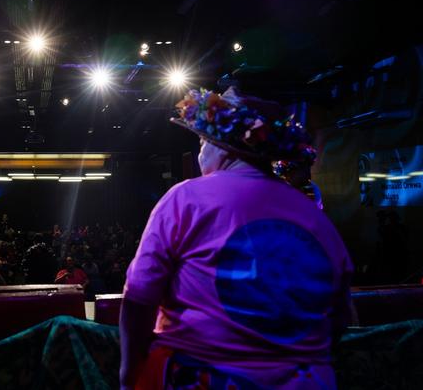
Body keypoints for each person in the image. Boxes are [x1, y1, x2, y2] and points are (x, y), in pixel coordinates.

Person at [120, 87, 353, 390]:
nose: (201, 152)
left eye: (203, 142)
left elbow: (138, 298)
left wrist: (129, 375)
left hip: (202, 378)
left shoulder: (184, 198)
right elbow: (339, 318)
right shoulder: (315, 217)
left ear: (225, 148)